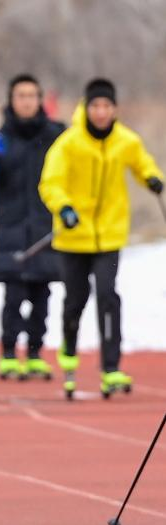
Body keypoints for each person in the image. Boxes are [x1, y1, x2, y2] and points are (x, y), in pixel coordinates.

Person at [39, 78, 163, 397]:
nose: (101, 112)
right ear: (87, 107)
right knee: (75, 300)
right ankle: (68, 355)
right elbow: (50, 182)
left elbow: (142, 162)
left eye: (107, 106)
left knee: (108, 296)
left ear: (114, 109)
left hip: (109, 234)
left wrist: (153, 179)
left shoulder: (125, 140)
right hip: (73, 236)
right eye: (96, 106)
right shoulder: (69, 143)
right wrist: (63, 207)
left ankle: (111, 366)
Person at [0, 74, 65, 380]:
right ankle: (10, 352)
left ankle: (37, 351)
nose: (26, 101)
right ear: (11, 101)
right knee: (14, 293)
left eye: (32, 96)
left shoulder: (56, 135)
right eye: (20, 96)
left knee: (42, 292)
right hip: (12, 224)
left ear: (40, 100)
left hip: (44, 223)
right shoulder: (0, 137)